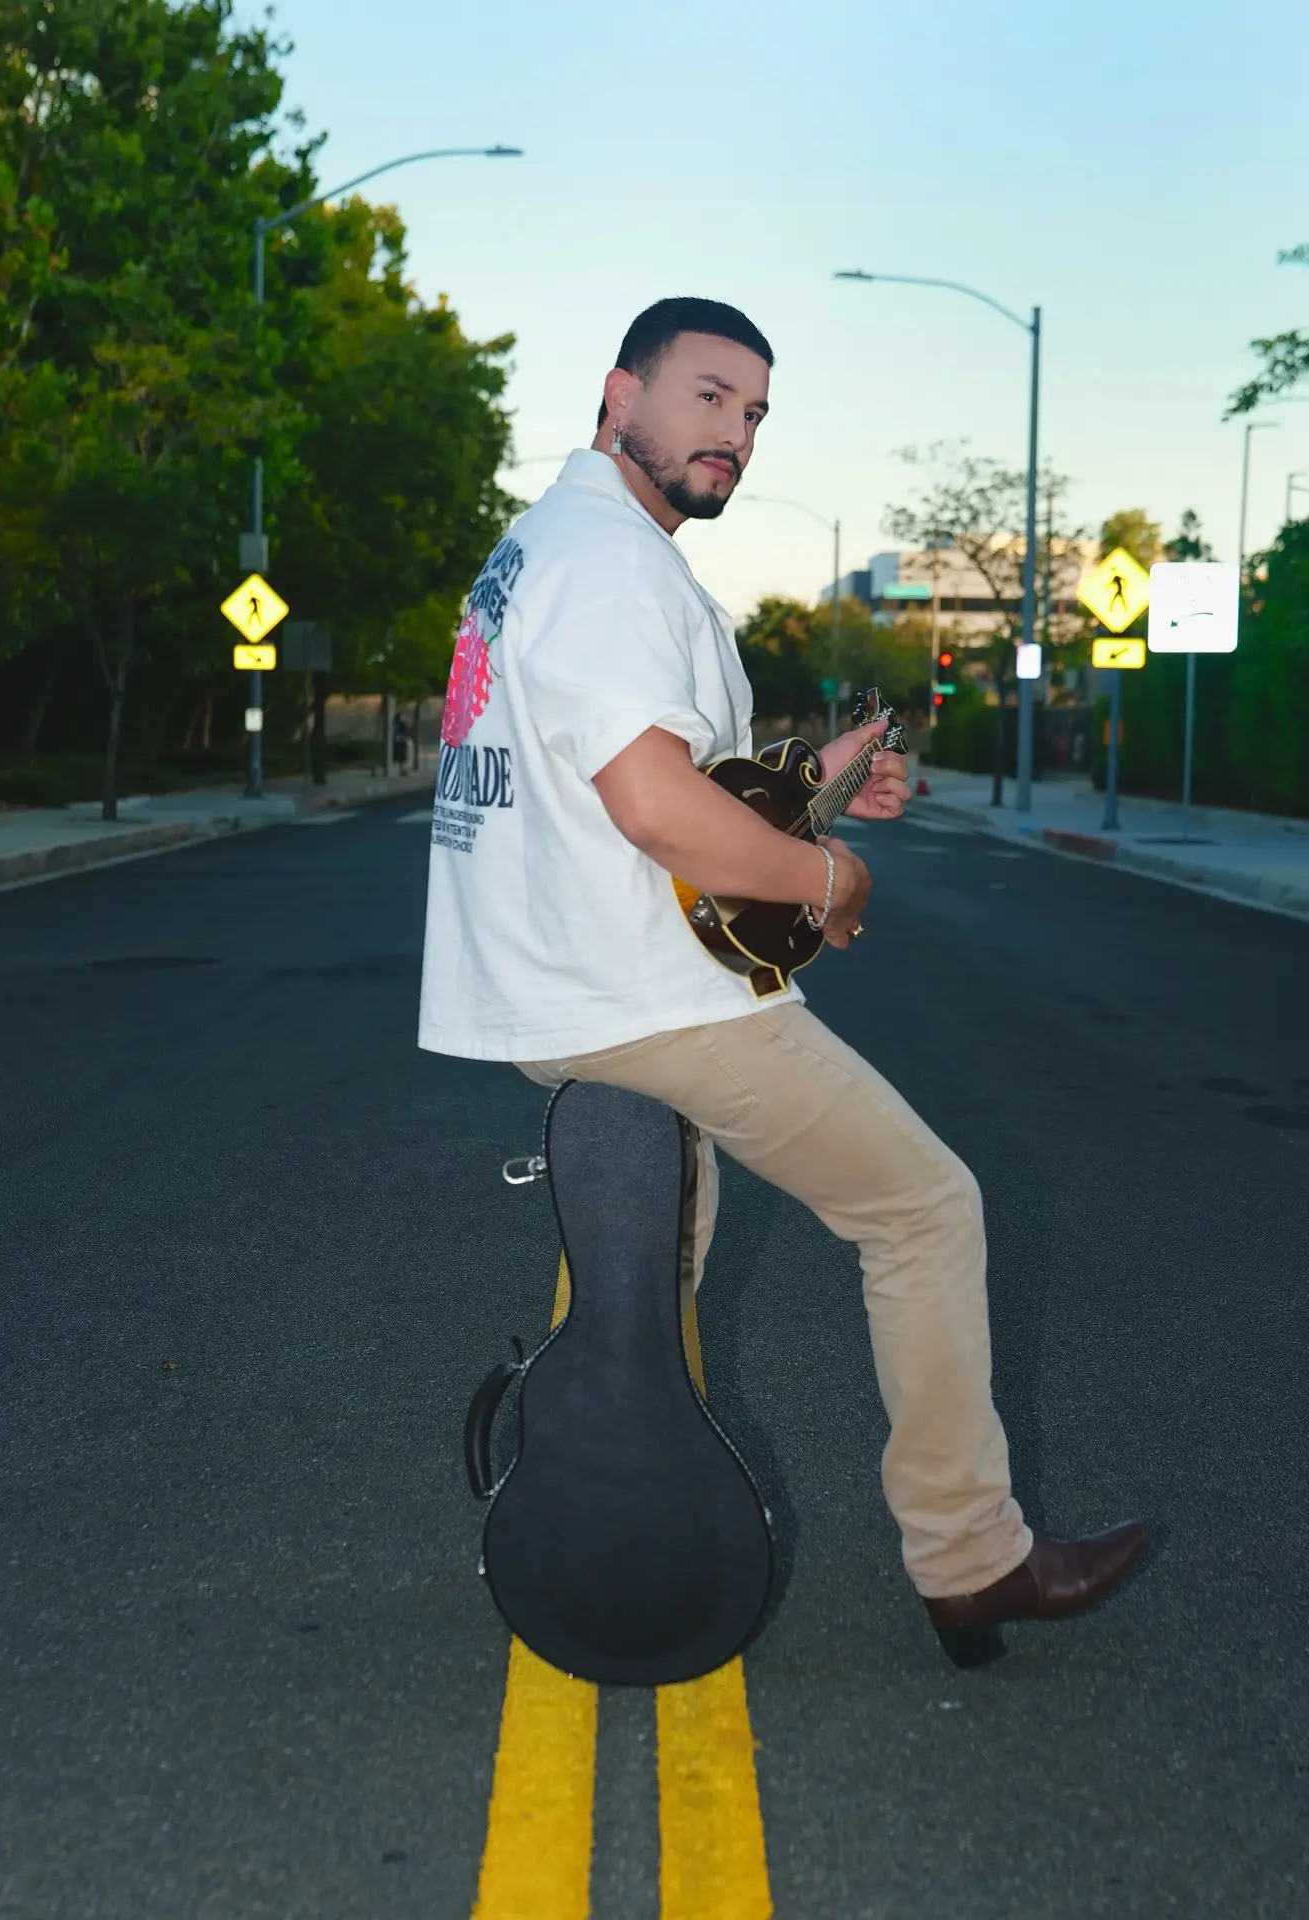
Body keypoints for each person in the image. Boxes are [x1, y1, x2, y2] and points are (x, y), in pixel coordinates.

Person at [417, 296, 1146, 1664]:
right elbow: (655, 810)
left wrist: (830, 779)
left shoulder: (545, 547)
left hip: (566, 983)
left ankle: (587, 1517)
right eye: (706, 396)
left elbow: (676, 782)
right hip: (645, 995)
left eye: (753, 413)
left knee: (645, 1289)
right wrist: (829, 880)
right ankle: (972, 1558)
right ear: (619, 394)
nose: (735, 434)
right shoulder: (613, 562)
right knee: (923, 1208)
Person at [393, 711, 411, 775]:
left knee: (402, 757)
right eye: (402, 716)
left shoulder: (398, 724)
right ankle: (402, 770)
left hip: (400, 742)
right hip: (400, 742)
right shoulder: (399, 724)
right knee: (401, 757)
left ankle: (402, 770)